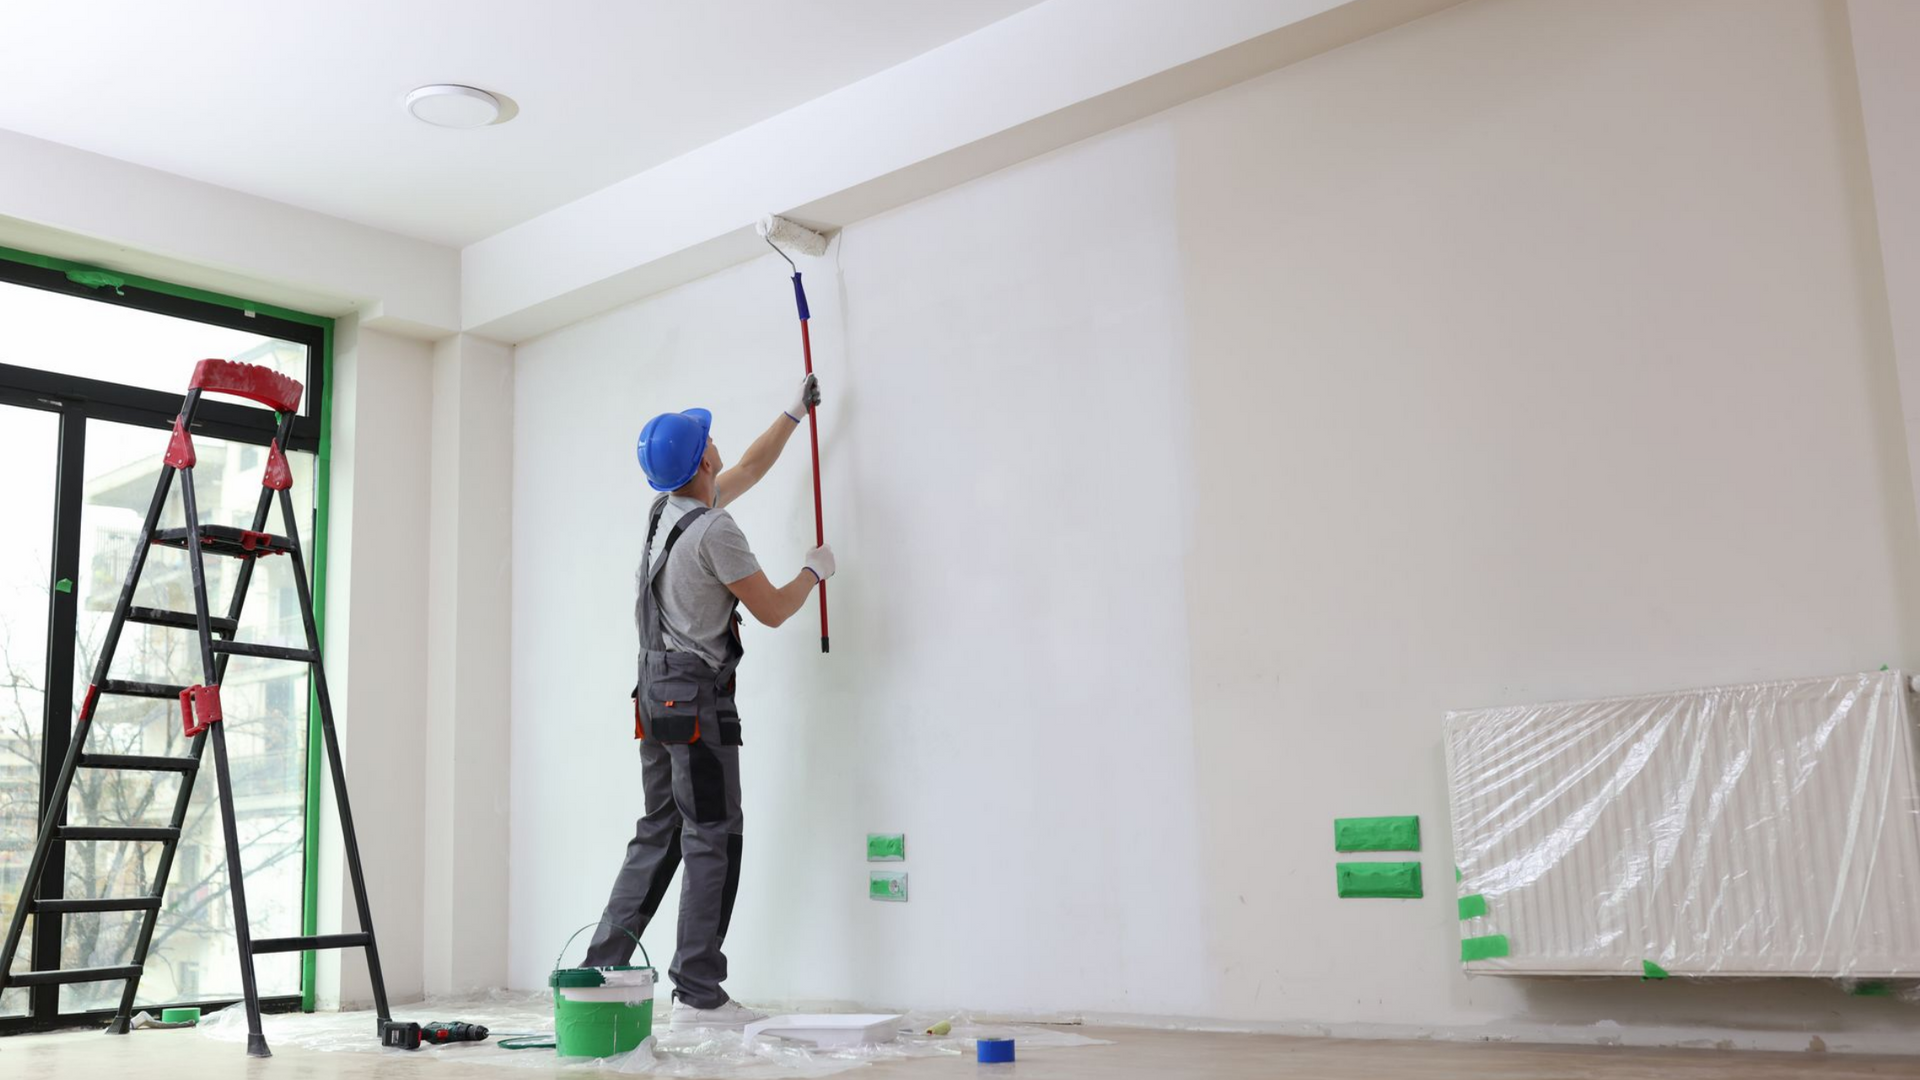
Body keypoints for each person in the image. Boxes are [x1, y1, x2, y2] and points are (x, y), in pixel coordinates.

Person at [581, 374, 836, 1028]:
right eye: (708, 440)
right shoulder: (715, 530)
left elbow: (751, 465)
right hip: (698, 706)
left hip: (654, 696)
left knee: (659, 832)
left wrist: (793, 412)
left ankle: (600, 973)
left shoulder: (667, 511)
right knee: (713, 836)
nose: (718, 443)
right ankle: (698, 993)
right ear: (702, 463)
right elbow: (774, 610)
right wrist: (814, 572)